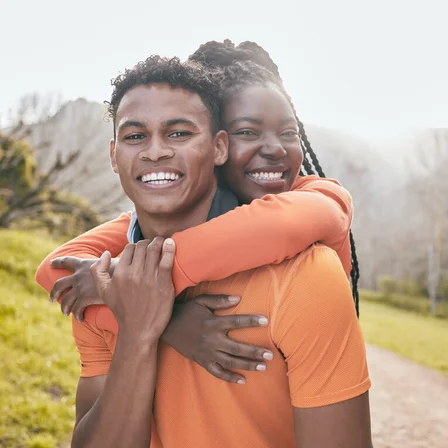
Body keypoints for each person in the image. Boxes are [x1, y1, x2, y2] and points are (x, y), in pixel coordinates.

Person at [51, 55, 371, 447]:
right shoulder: (99, 282)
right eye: (135, 136)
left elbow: (289, 220)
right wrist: (140, 328)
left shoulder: (307, 273)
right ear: (114, 155)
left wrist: (148, 298)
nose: (155, 152)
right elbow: (58, 268)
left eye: (180, 133)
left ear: (217, 148)